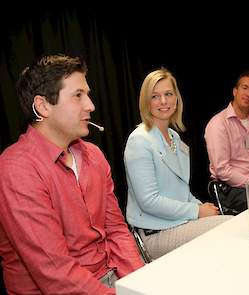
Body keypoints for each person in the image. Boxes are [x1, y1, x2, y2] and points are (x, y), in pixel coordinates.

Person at [0, 54, 144, 294]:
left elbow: (117, 230)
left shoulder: (94, 155)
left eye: (87, 94)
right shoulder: (15, 169)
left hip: (110, 276)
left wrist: (140, 283)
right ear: (43, 106)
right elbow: (55, 274)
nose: (91, 105)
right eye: (78, 95)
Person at [124, 68, 231, 260]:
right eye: (155, 96)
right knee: (228, 227)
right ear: (146, 101)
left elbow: (180, 191)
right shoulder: (139, 140)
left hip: (178, 222)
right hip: (154, 232)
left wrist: (201, 207)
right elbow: (149, 201)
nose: (163, 101)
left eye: (168, 94)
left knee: (226, 223)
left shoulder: (174, 136)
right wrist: (197, 211)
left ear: (176, 98)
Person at [204, 70, 249, 214]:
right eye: (245, 88)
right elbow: (222, 170)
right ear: (235, 91)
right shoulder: (218, 123)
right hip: (230, 187)